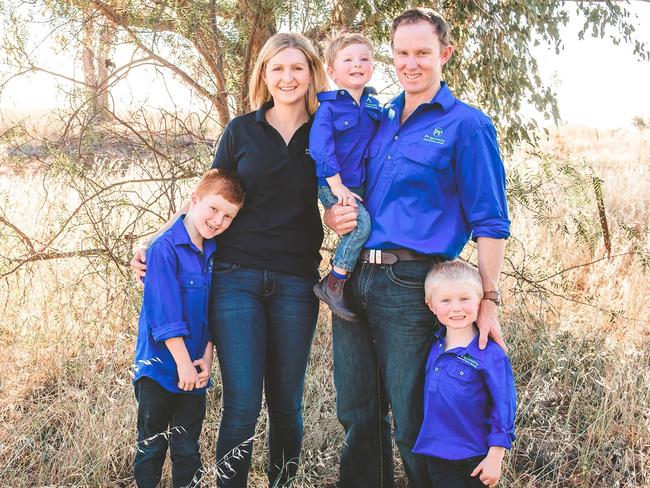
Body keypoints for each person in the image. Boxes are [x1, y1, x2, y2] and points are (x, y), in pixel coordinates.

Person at [323, 8, 511, 488]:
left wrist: (489, 300)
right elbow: (346, 187)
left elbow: (489, 221)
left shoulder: (466, 126)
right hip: (352, 279)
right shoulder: (376, 117)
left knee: (410, 418)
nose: (411, 63)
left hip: (410, 285)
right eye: (402, 52)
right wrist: (333, 214)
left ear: (444, 53)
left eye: (423, 52)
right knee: (358, 413)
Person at [132, 33, 329, 487]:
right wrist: (156, 239)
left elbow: (343, 190)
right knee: (242, 401)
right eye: (277, 68)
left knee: (286, 402)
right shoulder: (241, 130)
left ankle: (282, 482)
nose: (287, 77)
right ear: (263, 74)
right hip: (236, 278)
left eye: (297, 68)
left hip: (297, 282)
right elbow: (206, 198)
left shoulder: (325, 130)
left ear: (311, 74)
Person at [132, 169, 244, 488]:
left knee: (187, 448)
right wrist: (183, 364)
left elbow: (210, 313)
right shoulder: (164, 248)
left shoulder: (213, 253)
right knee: (152, 445)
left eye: (228, 216)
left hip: (194, 369)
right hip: (159, 368)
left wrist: (205, 359)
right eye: (213, 209)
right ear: (192, 201)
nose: (218, 220)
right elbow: (164, 314)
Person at [412, 260, 516, 488]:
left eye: (464, 299)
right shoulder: (431, 346)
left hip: (475, 455)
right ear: (431, 305)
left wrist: (496, 455)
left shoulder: (490, 354)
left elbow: (504, 407)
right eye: (446, 300)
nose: (456, 308)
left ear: (480, 301)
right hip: (437, 455)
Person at [309, 32, 381, 321]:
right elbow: (320, 149)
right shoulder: (328, 108)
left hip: (361, 184)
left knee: (369, 224)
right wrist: (336, 186)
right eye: (348, 59)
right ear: (332, 71)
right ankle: (334, 282)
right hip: (333, 183)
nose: (357, 64)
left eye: (365, 59)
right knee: (360, 224)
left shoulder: (375, 106)